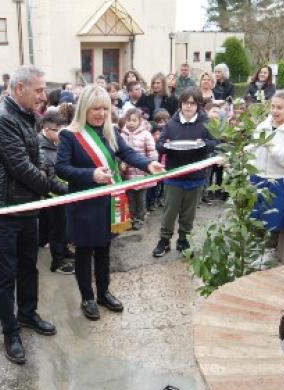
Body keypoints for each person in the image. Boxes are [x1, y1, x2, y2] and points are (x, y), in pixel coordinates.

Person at [55, 85, 164, 321]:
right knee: (84, 253)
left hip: (107, 203)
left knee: (104, 249)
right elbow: (61, 168)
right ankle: (88, 298)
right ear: (84, 108)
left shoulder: (110, 131)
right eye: (95, 108)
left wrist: (148, 164)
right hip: (83, 204)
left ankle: (103, 292)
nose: (100, 113)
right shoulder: (69, 135)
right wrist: (90, 174)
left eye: (104, 108)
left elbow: (127, 154)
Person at [0, 65, 64, 364]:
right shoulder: (3, 119)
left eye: (43, 90)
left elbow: (37, 154)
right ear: (20, 89)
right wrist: (56, 188)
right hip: (4, 210)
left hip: (27, 206)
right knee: (6, 276)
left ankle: (27, 314)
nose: (44, 96)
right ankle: (10, 331)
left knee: (29, 266)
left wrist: (52, 181)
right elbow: (21, 167)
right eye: (39, 90)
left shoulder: (27, 115)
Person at [153, 88, 219, 257]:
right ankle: (164, 240)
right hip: (174, 176)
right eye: (185, 102)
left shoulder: (206, 123)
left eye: (192, 103)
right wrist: (166, 144)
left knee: (188, 214)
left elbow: (215, 142)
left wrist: (204, 143)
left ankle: (183, 240)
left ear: (198, 105)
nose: (188, 106)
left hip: (196, 177)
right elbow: (159, 145)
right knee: (169, 212)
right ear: (180, 104)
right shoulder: (171, 123)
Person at [249, 90, 284, 265]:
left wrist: (273, 148)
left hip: (278, 182)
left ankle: (268, 254)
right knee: (255, 216)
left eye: (279, 107)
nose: (274, 111)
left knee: (272, 221)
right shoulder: (263, 127)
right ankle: (254, 251)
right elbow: (255, 149)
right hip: (258, 178)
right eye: (272, 106)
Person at [37, 111, 73, 274]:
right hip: (54, 196)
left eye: (63, 129)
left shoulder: (58, 142)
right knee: (56, 229)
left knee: (63, 225)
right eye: (57, 129)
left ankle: (64, 250)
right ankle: (58, 261)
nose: (61, 133)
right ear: (46, 128)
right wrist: (70, 191)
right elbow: (49, 180)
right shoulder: (40, 149)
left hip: (64, 193)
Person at [120, 108, 157, 230]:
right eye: (128, 120)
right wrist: (121, 163)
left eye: (134, 120)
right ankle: (132, 218)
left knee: (140, 198)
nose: (131, 123)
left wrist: (151, 165)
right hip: (128, 174)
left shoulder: (146, 134)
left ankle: (140, 218)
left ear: (140, 121)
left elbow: (152, 152)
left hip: (142, 173)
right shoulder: (122, 134)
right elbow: (119, 152)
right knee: (130, 198)